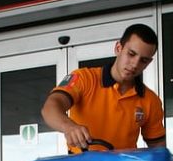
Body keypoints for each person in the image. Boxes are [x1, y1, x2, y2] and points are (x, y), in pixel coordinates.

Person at [41, 23, 166, 153]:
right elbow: (50, 107)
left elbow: (158, 147)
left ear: (149, 62)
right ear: (118, 48)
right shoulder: (84, 78)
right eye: (131, 54)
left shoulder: (150, 100)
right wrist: (68, 127)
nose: (135, 64)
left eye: (143, 60)